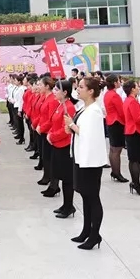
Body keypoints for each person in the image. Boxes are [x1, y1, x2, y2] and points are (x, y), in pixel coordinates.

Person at [64, 77, 108, 250]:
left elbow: (89, 135)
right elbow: (79, 131)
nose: (78, 89)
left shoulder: (95, 111)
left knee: (92, 197)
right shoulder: (84, 108)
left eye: (81, 87)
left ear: (91, 91)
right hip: (81, 158)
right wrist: (71, 127)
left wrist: (72, 125)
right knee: (85, 196)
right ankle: (86, 230)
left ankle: (95, 234)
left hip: (90, 161)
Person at [48, 79, 77, 217]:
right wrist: (50, 134)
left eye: (56, 90)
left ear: (65, 92)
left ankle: (69, 206)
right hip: (57, 145)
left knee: (67, 178)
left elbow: (66, 130)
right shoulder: (60, 105)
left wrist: (52, 136)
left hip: (64, 146)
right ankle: (65, 205)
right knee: (61, 176)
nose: (54, 92)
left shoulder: (69, 107)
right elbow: (54, 123)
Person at [122, 80, 140, 196]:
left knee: (133, 159)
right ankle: (136, 184)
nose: (139, 88)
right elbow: (138, 119)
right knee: (135, 160)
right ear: (132, 89)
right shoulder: (132, 101)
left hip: (131, 131)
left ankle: (135, 183)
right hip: (135, 131)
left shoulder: (128, 100)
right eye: (137, 86)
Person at [103, 74, 128, 183]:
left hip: (111, 121)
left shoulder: (107, 94)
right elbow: (121, 112)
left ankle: (115, 171)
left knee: (113, 149)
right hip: (117, 122)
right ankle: (117, 172)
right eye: (118, 81)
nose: (120, 82)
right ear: (114, 83)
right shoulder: (114, 95)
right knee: (117, 149)